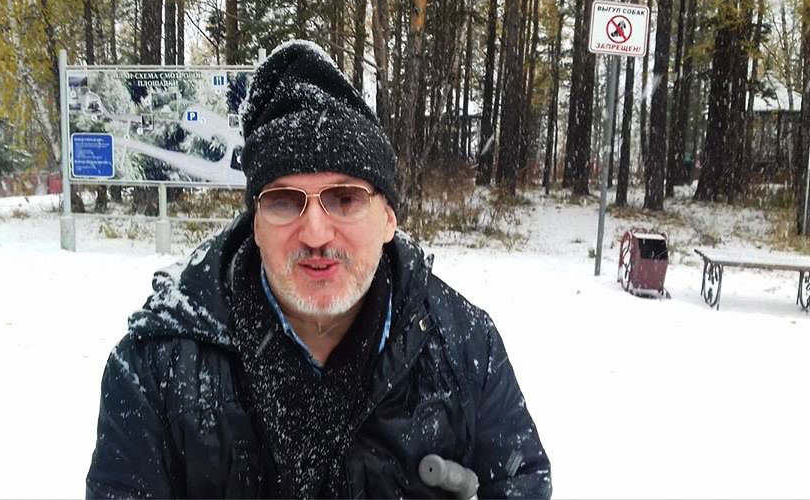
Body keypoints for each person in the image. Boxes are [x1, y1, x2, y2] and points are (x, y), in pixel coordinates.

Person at [86, 41, 551, 499]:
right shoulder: (156, 365)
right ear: (255, 224)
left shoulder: (465, 347)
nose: (314, 233)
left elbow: (522, 481)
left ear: (389, 218)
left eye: (345, 199)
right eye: (284, 201)